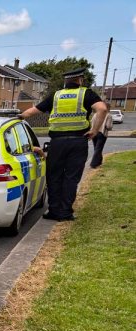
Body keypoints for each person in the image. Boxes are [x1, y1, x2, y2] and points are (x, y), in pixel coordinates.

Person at [19, 67, 107, 221]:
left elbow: (32, 111)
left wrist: (18, 117)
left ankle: (53, 210)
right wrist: (94, 130)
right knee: (71, 177)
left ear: (65, 81)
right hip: (78, 141)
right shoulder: (86, 93)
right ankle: (65, 212)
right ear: (80, 79)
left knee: (54, 177)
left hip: (57, 143)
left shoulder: (56, 96)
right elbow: (102, 109)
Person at [90, 103, 113, 168]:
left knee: (96, 148)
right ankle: (93, 164)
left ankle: (99, 162)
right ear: (107, 108)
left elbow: (91, 122)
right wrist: (111, 127)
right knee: (98, 149)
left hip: (94, 133)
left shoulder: (95, 114)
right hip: (102, 133)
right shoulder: (108, 115)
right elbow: (108, 126)